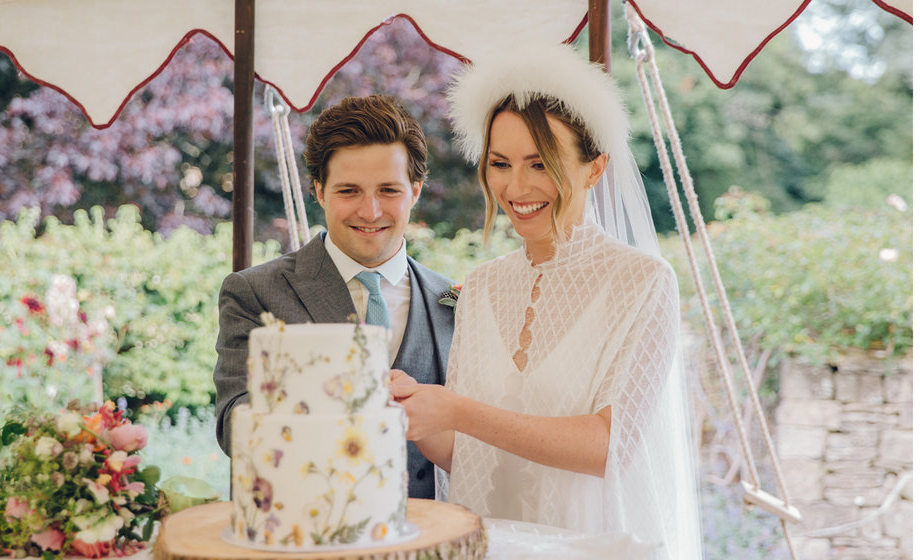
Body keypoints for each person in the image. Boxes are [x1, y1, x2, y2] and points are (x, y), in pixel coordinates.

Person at [389, 43, 702, 558]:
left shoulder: (643, 282)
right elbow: (467, 454)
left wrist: (458, 410)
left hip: (591, 544)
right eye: (500, 163)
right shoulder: (483, 286)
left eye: (540, 162)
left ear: (595, 168)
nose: (516, 186)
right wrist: (417, 412)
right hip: (494, 545)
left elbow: (608, 446)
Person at [214, 94, 456, 500]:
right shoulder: (253, 292)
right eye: (349, 191)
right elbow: (234, 425)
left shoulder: (452, 300)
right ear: (320, 191)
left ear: (414, 191)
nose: (370, 210)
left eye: (388, 190)